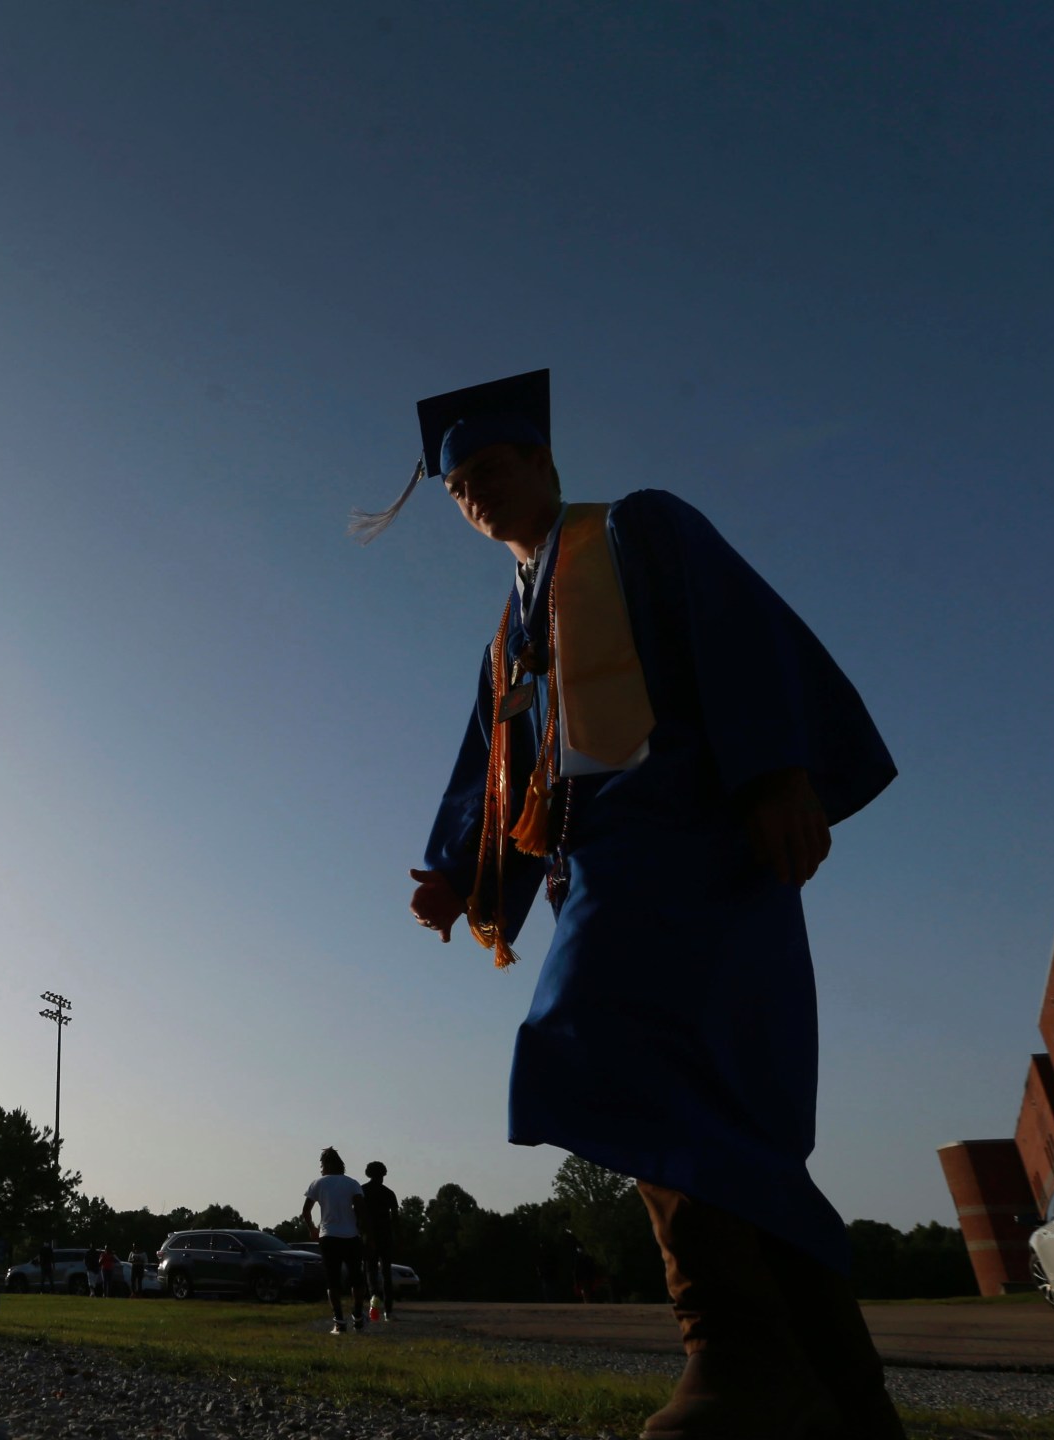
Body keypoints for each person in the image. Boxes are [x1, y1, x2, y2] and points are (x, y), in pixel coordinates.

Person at [379, 370, 901, 1439]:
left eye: (490, 469)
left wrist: (775, 771)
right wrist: (460, 871)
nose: (474, 491)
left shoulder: (633, 530)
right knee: (726, 1117)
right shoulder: (505, 640)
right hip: (598, 869)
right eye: (457, 485)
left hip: (694, 834)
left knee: (594, 1042)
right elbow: (492, 769)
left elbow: (742, 631)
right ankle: (843, 1397)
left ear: (541, 462)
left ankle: (736, 1355)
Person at [300, 1147, 368, 1332]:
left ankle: (339, 1321)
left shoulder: (318, 1183)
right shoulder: (352, 1183)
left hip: (329, 1235)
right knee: (356, 1278)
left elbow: (306, 1210)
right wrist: (362, 1228)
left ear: (327, 1165)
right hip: (351, 1235)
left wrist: (312, 1228)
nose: (320, 1168)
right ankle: (358, 1314)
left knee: (333, 1279)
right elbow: (361, 1209)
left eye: (321, 1165)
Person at [354, 1160, 400, 1319]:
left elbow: (357, 1214)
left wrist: (360, 1231)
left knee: (370, 1270)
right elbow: (395, 1218)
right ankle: (389, 1310)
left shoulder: (362, 1191)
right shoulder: (389, 1193)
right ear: (383, 1174)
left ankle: (374, 1296)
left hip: (368, 1236)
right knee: (386, 1273)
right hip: (385, 1236)